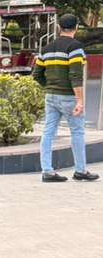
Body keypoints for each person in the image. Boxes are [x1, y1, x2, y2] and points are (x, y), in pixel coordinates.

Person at [33, 13, 99, 182]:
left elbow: (37, 74)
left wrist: (50, 86)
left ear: (59, 27)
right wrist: (80, 100)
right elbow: (75, 75)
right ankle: (80, 171)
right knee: (77, 132)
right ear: (76, 27)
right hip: (69, 97)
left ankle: (47, 171)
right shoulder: (75, 47)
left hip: (51, 96)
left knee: (48, 132)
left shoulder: (47, 48)